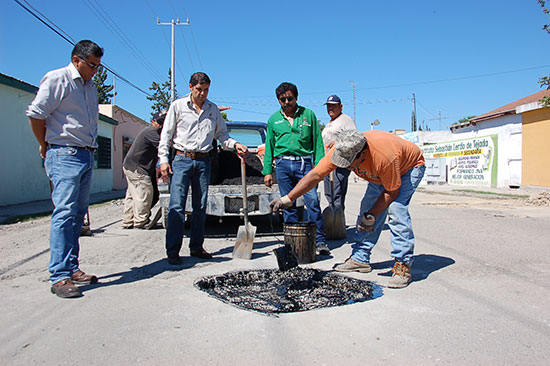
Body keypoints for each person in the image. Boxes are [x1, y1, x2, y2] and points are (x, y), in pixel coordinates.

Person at [270, 129, 425, 289]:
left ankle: (403, 264)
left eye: (349, 162)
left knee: (396, 210)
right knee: (367, 208)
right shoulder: (343, 148)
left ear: (362, 154)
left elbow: (392, 192)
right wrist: (288, 199)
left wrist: (372, 215)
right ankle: (360, 259)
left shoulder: (384, 157)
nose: (345, 166)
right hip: (378, 174)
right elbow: (315, 175)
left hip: (409, 168)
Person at [26, 40, 104, 298]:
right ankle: (59, 276)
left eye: (98, 66)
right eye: (91, 65)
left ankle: (72, 268)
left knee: (78, 216)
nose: (95, 71)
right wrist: (44, 144)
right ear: (76, 60)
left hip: (85, 155)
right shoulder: (58, 79)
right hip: (64, 153)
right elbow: (36, 114)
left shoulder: (90, 88)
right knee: (64, 214)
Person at [159, 72, 248, 265]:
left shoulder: (212, 110)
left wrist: (235, 145)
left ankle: (197, 247)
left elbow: (222, 135)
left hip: (204, 162)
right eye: (199, 89)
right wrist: (164, 160)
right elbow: (166, 135)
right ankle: (173, 250)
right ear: (190, 87)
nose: (202, 93)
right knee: (177, 205)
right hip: (182, 160)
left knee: (200, 206)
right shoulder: (178, 107)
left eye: (206, 90)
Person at [262, 82, 328, 255]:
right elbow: (269, 146)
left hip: (305, 164)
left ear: (296, 97)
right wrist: (267, 171)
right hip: (283, 165)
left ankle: (319, 241)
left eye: (289, 98)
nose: (286, 102)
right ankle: (292, 243)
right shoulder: (273, 119)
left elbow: (317, 142)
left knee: (312, 201)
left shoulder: (309, 115)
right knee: (288, 204)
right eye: (282, 99)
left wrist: (320, 167)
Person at [122, 110, 166, 229]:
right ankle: (141, 221)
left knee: (132, 195)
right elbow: (165, 147)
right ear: (153, 122)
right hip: (137, 168)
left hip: (130, 166)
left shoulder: (151, 131)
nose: (162, 125)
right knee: (145, 193)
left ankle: (128, 220)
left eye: (164, 122)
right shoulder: (152, 132)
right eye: (160, 122)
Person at [321, 95, 357, 212]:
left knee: (337, 194)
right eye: (328, 106)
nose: (330, 108)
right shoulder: (330, 123)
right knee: (329, 193)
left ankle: (338, 222)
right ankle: (332, 222)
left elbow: (355, 140)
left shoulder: (346, 120)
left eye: (333, 106)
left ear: (340, 107)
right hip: (328, 163)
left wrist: (337, 142)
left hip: (340, 164)